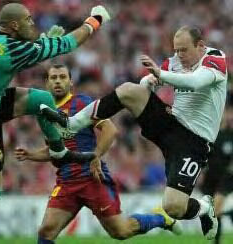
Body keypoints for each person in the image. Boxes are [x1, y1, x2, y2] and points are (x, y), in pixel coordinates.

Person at [42, 25, 228, 240]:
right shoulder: (175, 63)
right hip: (171, 124)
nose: (179, 55)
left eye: (184, 50)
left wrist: (161, 74)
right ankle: (71, 124)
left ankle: (204, 208)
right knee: (130, 90)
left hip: (194, 141)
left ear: (201, 46)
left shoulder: (215, 59)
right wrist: (150, 81)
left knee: (173, 207)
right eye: (176, 50)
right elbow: (147, 83)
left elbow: (196, 82)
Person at [0, 3, 111, 224]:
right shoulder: (11, 52)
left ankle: (58, 151)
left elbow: (20, 51)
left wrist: (40, 43)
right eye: (28, 20)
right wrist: (95, 20)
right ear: (14, 25)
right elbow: (68, 43)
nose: (32, 23)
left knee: (42, 100)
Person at [15, 64, 181, 244]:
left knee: (121, 232)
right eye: (53, 78)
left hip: (92, 177)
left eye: (62, 77)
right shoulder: (45, 112)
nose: (58, 81)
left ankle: (161, 217)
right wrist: (31, 154)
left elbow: (110, 130)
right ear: (46, 83)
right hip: (66, 181)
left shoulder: (81, 103)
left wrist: (96, 156)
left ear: (71, 82)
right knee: (46, 231)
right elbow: (56, 151)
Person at [200, 107, 233, 244]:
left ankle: (216, 241)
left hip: (226, 178)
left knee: (217, 210)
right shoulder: (215, 135)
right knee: (212, 211)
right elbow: (205, 157)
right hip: (212, 178)